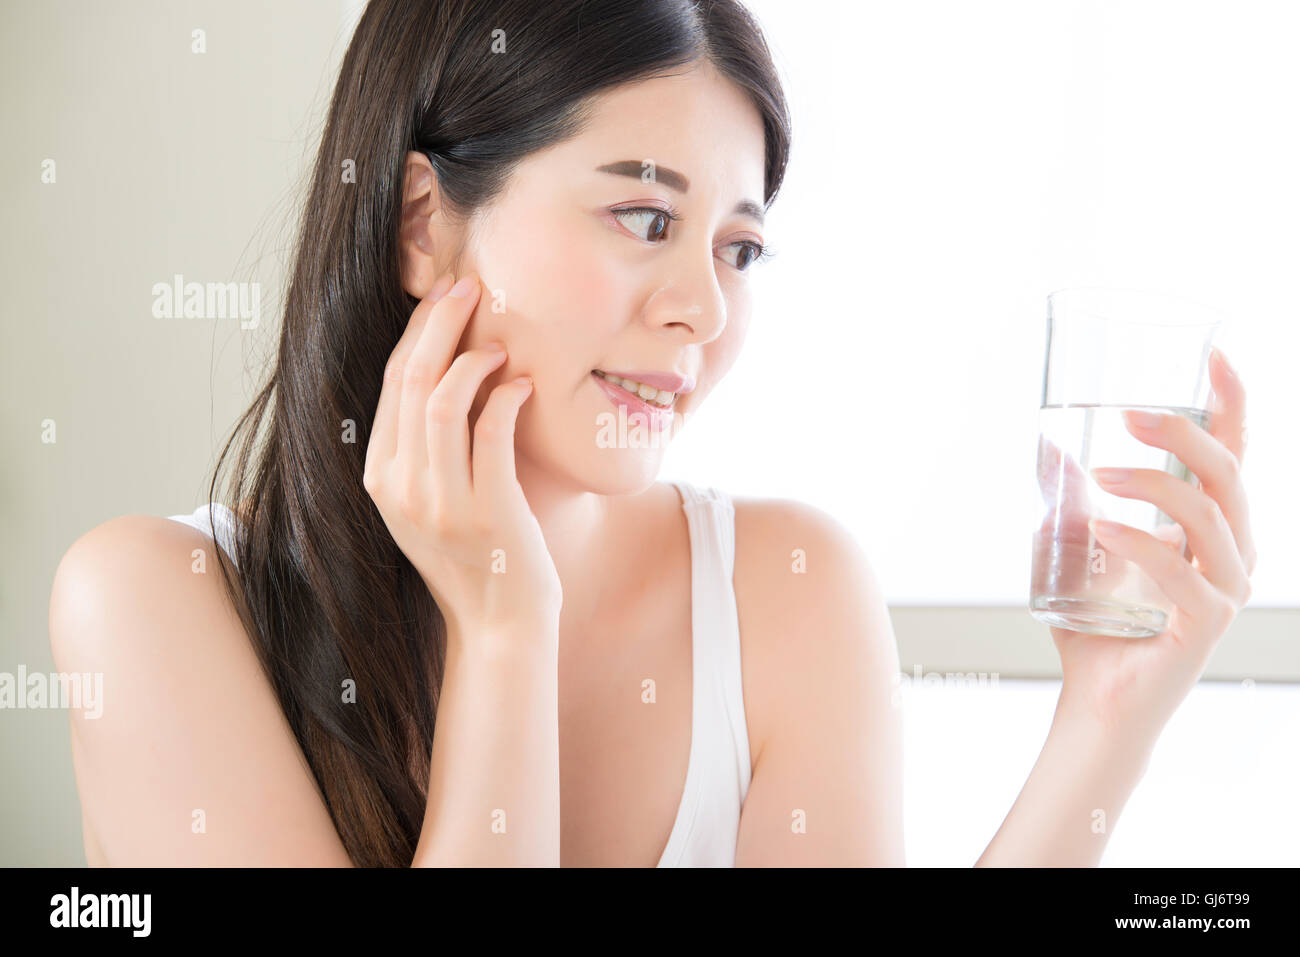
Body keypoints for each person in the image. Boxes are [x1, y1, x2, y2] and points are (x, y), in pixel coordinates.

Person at [48, 0, 1256, 867]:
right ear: (422, 222)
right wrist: (505, 631)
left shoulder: (790, 598)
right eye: (641, 216)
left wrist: (1111, 717)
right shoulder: (155, 605)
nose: (705, 306)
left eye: (738, 247)